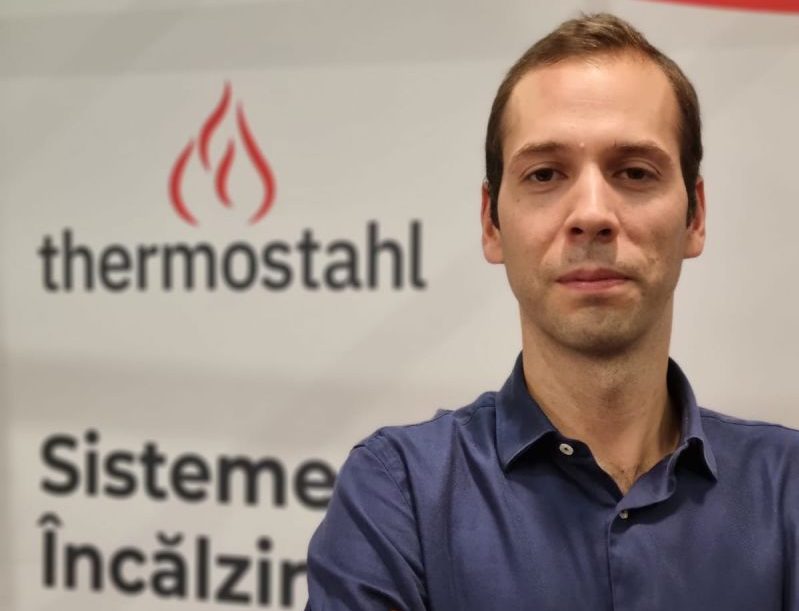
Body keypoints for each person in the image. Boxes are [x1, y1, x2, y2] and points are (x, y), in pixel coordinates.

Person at [305, 12, 799, 611]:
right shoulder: (398, 496)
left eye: (634, 172)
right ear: (491, 224)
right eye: (544, 174)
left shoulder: (789, 489)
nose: (591, 213)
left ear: (695, 216)